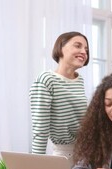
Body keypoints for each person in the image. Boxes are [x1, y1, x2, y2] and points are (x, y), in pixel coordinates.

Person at [29, 31, 89, 159]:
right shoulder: (46, 80)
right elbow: (40, 129)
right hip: (65, 156)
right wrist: (36, 165)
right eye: (78, 46)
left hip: (87, 153)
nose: (84, 52)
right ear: (60, 48)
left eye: (86, 49)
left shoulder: (79, 80)